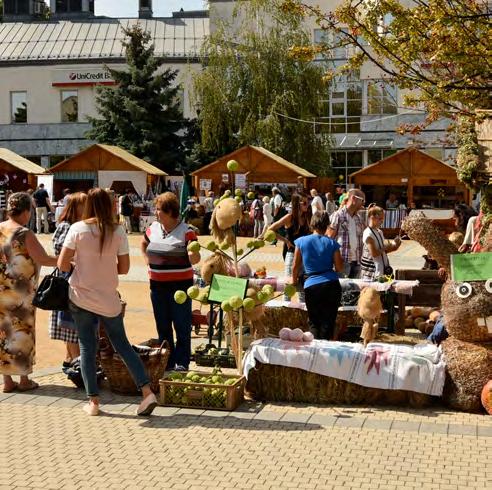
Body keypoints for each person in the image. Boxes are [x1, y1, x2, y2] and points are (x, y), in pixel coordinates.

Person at [58, 188, 157, 417]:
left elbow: (63, 265)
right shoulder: (119, 230)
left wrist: (82, 266)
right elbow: (124, 269)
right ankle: (146, 391)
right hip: (108, 297)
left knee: (87, 346)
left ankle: (93, 401)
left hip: (81, 295)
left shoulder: (77, 229)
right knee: (122, 345)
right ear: (111, 205)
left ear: (89, 205)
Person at [0, 192, 58, 393]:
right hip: (21, 294)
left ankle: (7, 381)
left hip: (1, 291)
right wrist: (66, 259)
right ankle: (24, 380)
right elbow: (43, 258)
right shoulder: (24, 233)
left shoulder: (0, 229)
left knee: (4, 334)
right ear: (26, 211)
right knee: (23, 333)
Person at [141, 192, 201, 371]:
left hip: (180, 287)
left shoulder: (187, 231)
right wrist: (147, 263)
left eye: (159, 209)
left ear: (169, 211)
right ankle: (167, 362)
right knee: (163, 325)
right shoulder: (153, 228)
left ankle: (182, 362)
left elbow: (195, 257)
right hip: (157, 286)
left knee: (182, 325)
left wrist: (193, 254)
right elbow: (143, 244)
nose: (156, 212)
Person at [291, 212, 344, 340]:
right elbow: (339, 268)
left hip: (312, 285)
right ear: (327, 225)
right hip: (331, 284)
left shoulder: (301, 241)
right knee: (328, 322)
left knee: (314, 322)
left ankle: (314, 352)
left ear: (311, 223)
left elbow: (295, 266)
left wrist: (293, 281)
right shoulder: (332, 243)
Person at [49, 192, 87, 369]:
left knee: (72, 325)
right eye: (84, 204)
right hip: (67, 279)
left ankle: (69, 359)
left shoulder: (80, 225)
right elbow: (60, 253)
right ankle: (76, 364)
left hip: (76, 278)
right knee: (70, 326)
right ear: (75, 207)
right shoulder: (66, 226)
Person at [268, 194, 311, 301]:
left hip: (306, 256)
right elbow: (271, 229)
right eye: (304, 203)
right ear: (297, 204)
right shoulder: (289, 218)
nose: (307, 205)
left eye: (308, 202)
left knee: (303, 286)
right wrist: (285, 240)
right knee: (288, 285)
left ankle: (302, 311)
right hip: (292, 254)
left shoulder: (306, 217)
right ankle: (286, 308)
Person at [327, 188, 366, 278]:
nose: (363, 204)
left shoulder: (359, 218)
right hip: (342, 261)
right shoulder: (337, 215)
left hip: (357, 262)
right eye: (362, 200)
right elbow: (329, 239)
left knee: (354, 290)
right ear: (354, 199)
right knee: (341, 290)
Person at [359, 205, 401, 281]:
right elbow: (374, 253)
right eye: (380, 219)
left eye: (383, 219)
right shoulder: (368, 233)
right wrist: (386, 247)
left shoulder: (379, 232)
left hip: (382, 271)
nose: (382, 221)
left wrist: (395, 246)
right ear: (372, 217)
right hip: (372, 273)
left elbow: (383, 251)